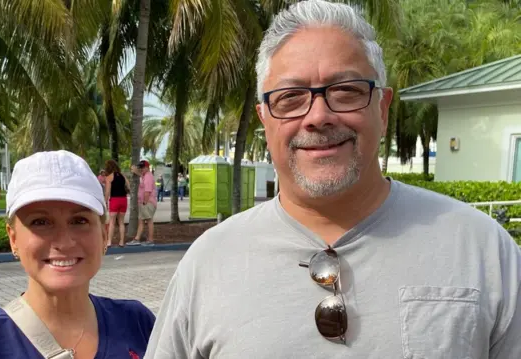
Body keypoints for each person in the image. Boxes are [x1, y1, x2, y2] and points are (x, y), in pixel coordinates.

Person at [145, 1, 521, 358]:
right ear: (265, 119)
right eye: (290, 98)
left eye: (345, 92)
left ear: (383, 108)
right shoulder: (209, 263)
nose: (318, 116)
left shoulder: (482, 250)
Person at [0, 150, 155, 359]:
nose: (64, 241)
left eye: (79, 221)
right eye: (40, 222)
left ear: (104, 232)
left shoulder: (137, 323)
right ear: (13, 239)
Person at [127, 160, 157, 247]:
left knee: (149, 220)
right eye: (140, 167)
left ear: (147, 167)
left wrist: (145, 202)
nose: (141, 169)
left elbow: (147, 191)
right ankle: (137, 239)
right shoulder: (145, 176)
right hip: (144, 202)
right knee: (142, 221)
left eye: (143, 167)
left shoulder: (148, 176)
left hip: (147, 202)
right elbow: (140, 175)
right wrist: (136, 171)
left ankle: (150, 240)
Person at [104, 159, 130, 248]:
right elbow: (128, 186)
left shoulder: (109, 177)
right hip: (123, 200)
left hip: (114, 200)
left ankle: (109, 242)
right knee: (121, 222)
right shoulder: (123, 176)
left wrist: (105, 202)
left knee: (112, 222)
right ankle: (122, 242)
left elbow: (107, 192)